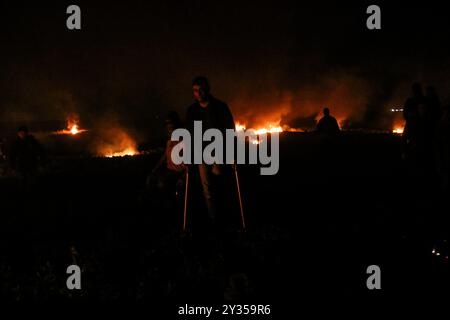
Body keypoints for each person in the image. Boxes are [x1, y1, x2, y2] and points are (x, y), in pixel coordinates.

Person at [185, 76, 235, 222]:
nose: (198, 93)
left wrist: (232, 153)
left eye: (201, 90)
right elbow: (189, 135)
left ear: (207, 89)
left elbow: (229, 130)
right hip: (202, 154)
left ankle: (227, 216)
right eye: (195, 90)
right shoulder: (192, 111)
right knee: (207, 190)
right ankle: (214, 219)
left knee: (222, 185)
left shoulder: (220, 107)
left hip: (220, 151)